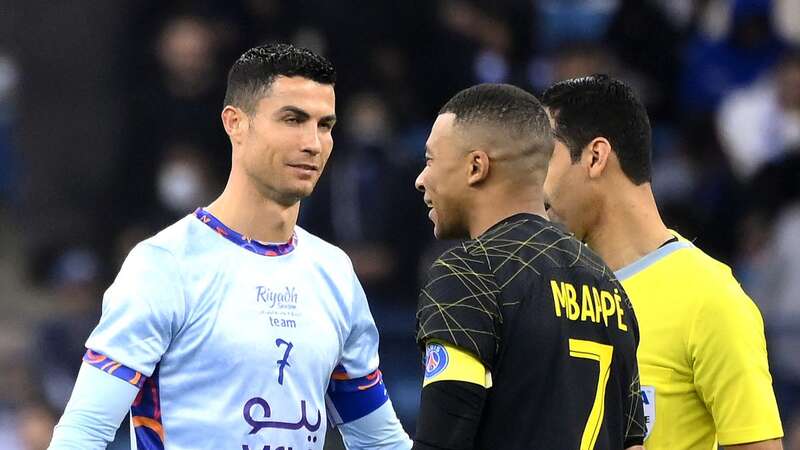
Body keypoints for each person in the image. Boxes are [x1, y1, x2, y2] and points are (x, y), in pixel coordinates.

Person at [47, 43, 411, 450]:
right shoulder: (165, 265)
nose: (312, 142)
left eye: (325, 125)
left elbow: (380, 442)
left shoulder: (334, 272)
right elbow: (84, 434)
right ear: (235, 122)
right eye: (293, 119)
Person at [541, 74, 784, 450]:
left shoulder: (709, 299)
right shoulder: (549, 291)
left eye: (544, 157)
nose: (534, 183)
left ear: (595, 156)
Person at [412, 83, 646, 450]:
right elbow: (634, 445)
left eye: (429, 160)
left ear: (476, 167)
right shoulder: (609, 286)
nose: (421, 179)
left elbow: (442, 440)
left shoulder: (470, 273)